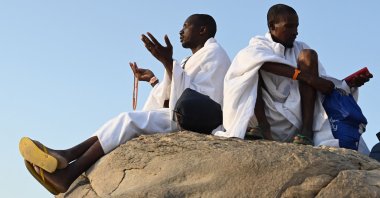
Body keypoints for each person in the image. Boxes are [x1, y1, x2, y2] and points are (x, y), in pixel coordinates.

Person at [19, 14, 231, 195]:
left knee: (128, 120)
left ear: (203, 30)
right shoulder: (188, 60)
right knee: (125, 119)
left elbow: (200, 98)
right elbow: (174, 93)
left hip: (197, 121)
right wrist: (154, 79)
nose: (180, 31)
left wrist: (167, 62)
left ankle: (68, 172)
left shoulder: (215, 54)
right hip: (180, 113)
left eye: (186, 26)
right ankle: (66, 155)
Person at [215, 4, 371, 146]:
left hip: (297, 118)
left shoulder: (301, 48)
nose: (295, 32)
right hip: (265, 116)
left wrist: (348, 85)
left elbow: (322, 82)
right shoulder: (258, 46)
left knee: (308, 55)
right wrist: (305, 76)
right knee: (251, 68)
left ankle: (307, 133)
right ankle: (262, 129)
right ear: (272, 26)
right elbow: (254, 61)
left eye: (296, 26)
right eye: (289, 27)